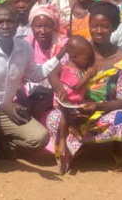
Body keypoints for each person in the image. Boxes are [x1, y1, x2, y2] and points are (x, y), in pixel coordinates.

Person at [0, 4, 60, 181]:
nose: (5, 26)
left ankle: (0, 144)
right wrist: (0, 106)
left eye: (10, 22)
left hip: (5, 111)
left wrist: (60, 56)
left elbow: (36, 74)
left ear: (17, 24)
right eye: (0, 22)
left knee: (40, 138)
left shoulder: (24, 49)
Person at [46, 2, 122, 172]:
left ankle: (112, 146)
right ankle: (78, 143)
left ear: (113, 28)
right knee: (54, 119)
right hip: (73, 110)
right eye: (94, 26)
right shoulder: (78, 47)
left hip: (103, 111)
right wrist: (61, 90)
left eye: (105, 26)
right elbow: (53, 72)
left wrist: (98, 106)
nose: (98, 31)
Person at [46, 35, 89, 170]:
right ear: (75, 57)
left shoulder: (81, 69)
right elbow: (75, 87)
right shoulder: (65, 68)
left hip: (75, 104)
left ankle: (71, 148)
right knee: (64, 115)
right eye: (86, 57)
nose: (88, 60)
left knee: (81, 114)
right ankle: (63, 140)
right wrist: (89, 75)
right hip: (64, 104)